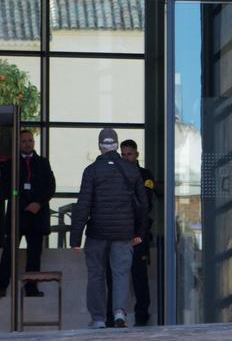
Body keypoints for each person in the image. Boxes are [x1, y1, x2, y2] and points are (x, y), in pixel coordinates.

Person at [70, 128, 148, 329]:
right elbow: (143, 204)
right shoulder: (131, 170)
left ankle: (98, 319)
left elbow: (83, 205)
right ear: (116, 145)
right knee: (121, 273)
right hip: (124, 232)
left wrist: (75, 238)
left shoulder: (91, 171)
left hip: (97, 232)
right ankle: (120, 312)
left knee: (96, 274)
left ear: (99, 146)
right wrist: (139, 232)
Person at [0, 129, 56, 298]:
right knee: (9, 251)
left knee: (34, 253)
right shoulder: (11, 163)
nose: (27, 143)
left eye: (30, 140)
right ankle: (1, 286)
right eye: (24, 141)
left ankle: (31, 288)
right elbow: (9, 189)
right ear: (18, 143)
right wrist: (22, 203)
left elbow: (50, 187)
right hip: (18, 214)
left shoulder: (43, 162)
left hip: (37, 215)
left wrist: (38, 203)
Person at [117, 139, 157, 326]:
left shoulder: (144, 175)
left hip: (138, 234)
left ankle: (142, 314)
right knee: (117, 276)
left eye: (129, 154)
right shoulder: (115, 174)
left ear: (137, 155)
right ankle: (116, 315)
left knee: (139, 276)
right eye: (123, 154)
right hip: (118, 233)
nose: (126, 158)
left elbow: (146, 204)